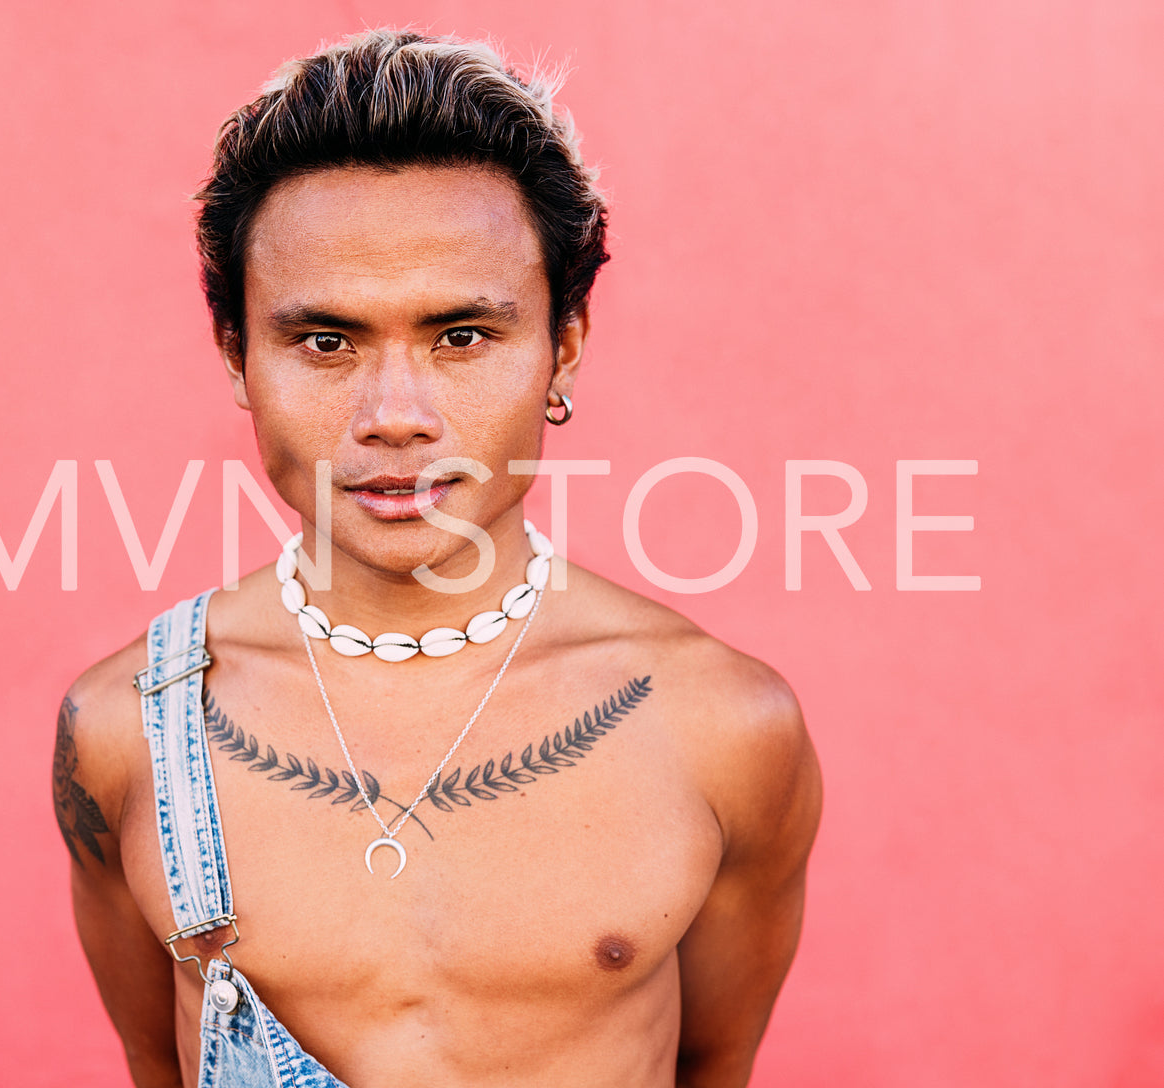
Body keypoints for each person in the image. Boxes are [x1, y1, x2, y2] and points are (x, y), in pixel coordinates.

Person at [53, 28, 822, 1088]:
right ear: (237, 353)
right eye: (325, 342)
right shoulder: (124, 728)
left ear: (563, 342)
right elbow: (156, 1061)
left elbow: (714, 1065)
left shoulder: (719, 727)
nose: (394, 416)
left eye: (461, 336)